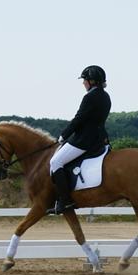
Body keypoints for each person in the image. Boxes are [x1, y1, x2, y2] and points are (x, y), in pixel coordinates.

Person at [46, 65, 111, 215]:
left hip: (84, 140)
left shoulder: (90, 97)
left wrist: (64, 135)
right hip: (100, 139)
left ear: (92, 81)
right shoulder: (105, 96)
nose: (83, 83)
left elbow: (79, 119)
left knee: (55, 162)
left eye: (85, 80)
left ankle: (65, 201)